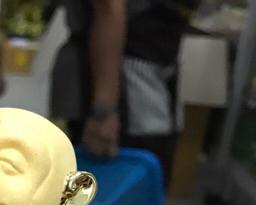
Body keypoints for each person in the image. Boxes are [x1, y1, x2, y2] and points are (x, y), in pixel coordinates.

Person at [51, 0, 200, 184]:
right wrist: (104, 111)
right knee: (111, 185)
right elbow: (108, 8)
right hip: (122, 81)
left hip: (153, 76)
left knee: (143, 181)